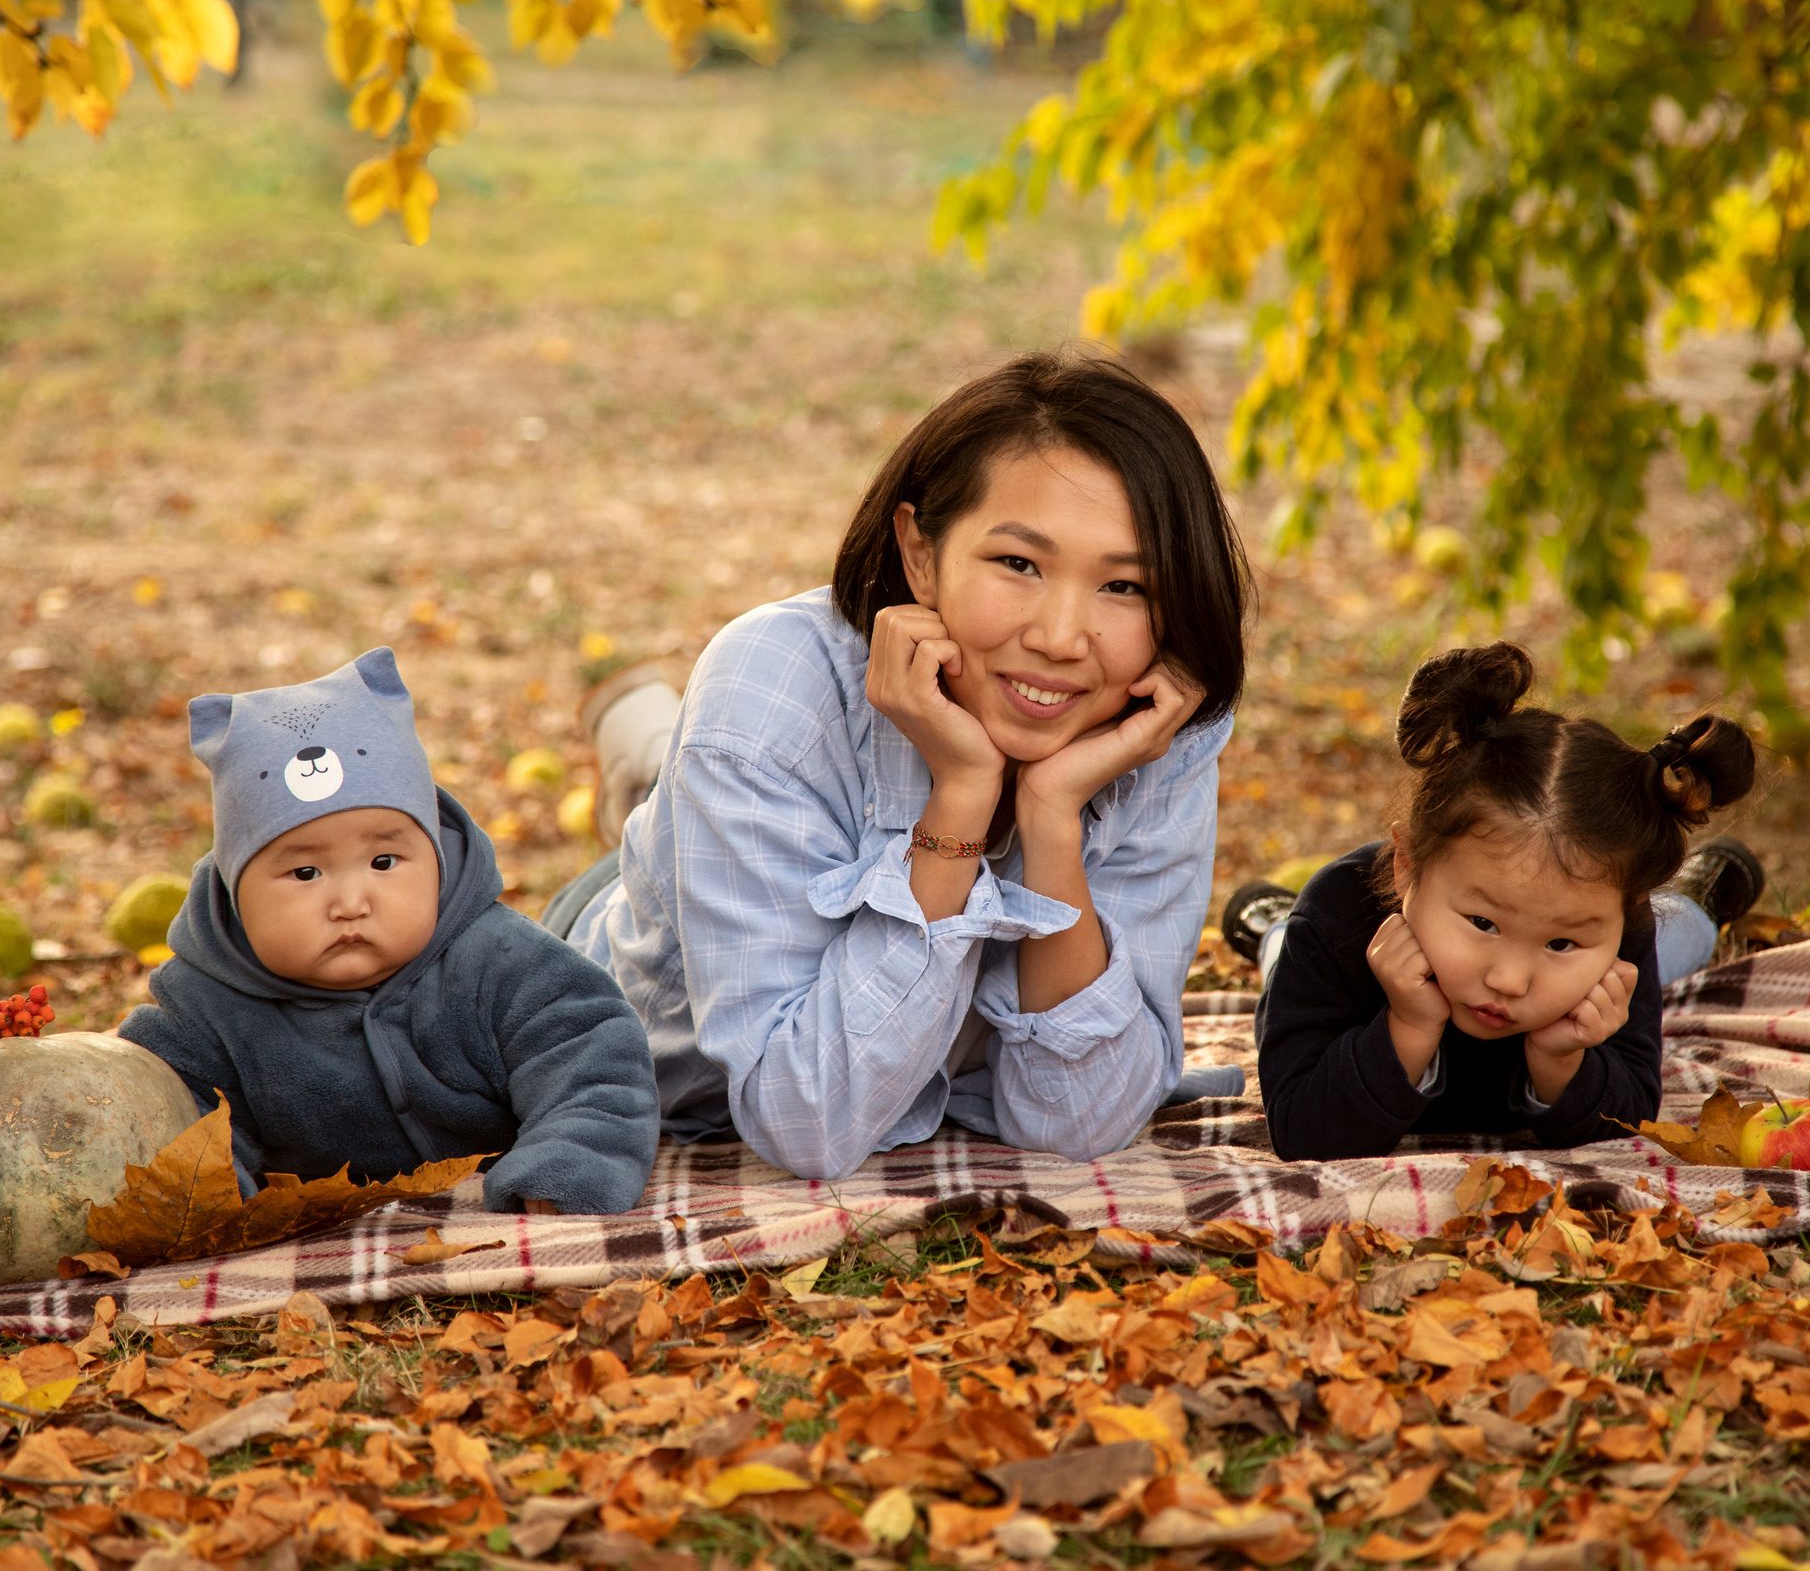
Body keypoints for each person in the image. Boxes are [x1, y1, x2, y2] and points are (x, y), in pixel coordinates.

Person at [546, 351, 1253, 1181]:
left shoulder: (1155, 715)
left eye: (1125, 586)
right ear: (920, 553)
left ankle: (647, 747)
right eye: (1019, 564)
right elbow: (806, 1121)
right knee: (700, 768)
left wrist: (1054, 819)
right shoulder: (769, 694)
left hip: (765, 804)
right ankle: (649, 755)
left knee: (690, 764)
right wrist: (961, 795)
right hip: (643, 976)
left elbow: (1078, 1120)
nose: (1064, 637)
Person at [119, 648, 659, 1214]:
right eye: (305, 873)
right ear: (235, 891)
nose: (351, 903)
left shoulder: (500, 957)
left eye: (383, 863)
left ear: (435, 859)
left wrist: (567, 1161)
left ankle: (650, 769)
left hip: (599, 917)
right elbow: (162, 1115)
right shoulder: (202, 1011)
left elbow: (592, 1061)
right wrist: (207, 1197)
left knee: (652, 851)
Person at [1251, 641, 1758, 1159]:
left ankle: (1703, 888)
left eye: (1561, 942)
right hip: (1326, 939)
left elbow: (1628, 1121)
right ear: (1407, 867)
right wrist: (1407, 1026)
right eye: (1483, 923)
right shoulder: (1336, 916)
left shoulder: (1621, 927)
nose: (1509, 981)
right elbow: (1300, 1132)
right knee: (1281, 950)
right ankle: (1268, 920)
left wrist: (1562, 1062)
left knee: (1683, 934)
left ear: (1621, 922)